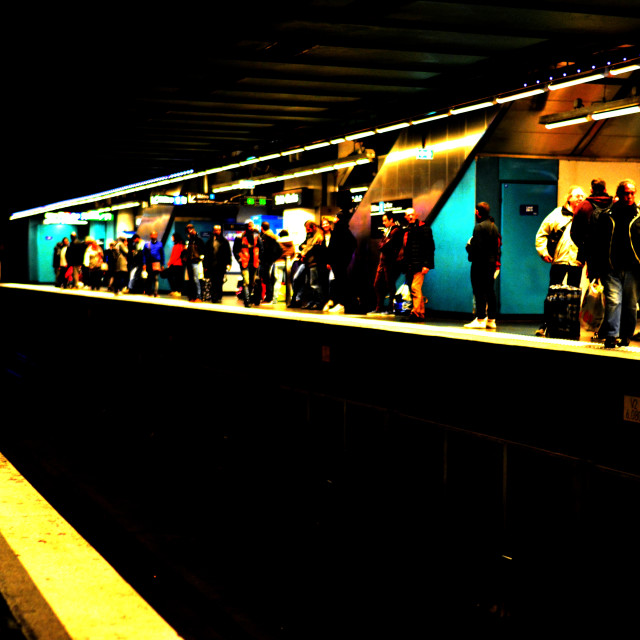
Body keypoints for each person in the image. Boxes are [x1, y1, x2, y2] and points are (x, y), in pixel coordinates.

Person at [587, 179, 640, 348]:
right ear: (619, 194)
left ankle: (625, 335)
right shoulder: (606, 215)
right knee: (614, 301)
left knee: (630, 305)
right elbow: (597, 243)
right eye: (626, 193)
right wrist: (594, 268)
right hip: (611, 266)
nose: (630, 196)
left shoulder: (638, 216)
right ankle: (611, 335)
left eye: (632, 193)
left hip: (633, 268)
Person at [534, 185, 585, 335]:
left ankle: (571, 326)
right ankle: (545, 324)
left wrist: (587, 259)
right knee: (551, 295)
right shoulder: (556, 214)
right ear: (569, 198)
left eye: (583, 196)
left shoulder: (585, 216)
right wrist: (543, 252)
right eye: (577, 196)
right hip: (559, 261)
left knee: (574, 297)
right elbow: (542, 234)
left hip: (576, 262)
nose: (581, 199)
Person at [464, 202, 501, 329]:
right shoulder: (494, 227)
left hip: (479, 264)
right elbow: (496, 247)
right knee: (490, 291)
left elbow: (477, 248)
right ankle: (491, 319)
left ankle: (480, 319)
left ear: (478, 212)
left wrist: (469, 247)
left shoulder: (479, 227)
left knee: (479, 291)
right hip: (491, 264)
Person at [400, 208, 435, 322]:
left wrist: (427, 265)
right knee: (415, 289)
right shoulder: (407, 230)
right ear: (405, 217)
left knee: (415, 288)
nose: (410, 217)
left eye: (412, 214)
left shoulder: (424, 228)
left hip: (420, 264)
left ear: (416, 215)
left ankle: (415, 312)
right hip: (411, 265)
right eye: (408, 215)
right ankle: (420, 313)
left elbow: (430, 248)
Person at [571, 179, 613, 269]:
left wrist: (584, 248)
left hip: (591, 253)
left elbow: (574, 233)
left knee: (594, 281)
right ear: (605, 189)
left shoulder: (584, 206)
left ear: (591, 190)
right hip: (611, 252)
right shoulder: (614, 205)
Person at [321, 213, 356, 314]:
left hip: (338, 261)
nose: (334, 219)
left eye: (336, 217)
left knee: (341, 282)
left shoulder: (340, 230)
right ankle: (341, 303)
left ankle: (342, 304)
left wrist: (342, 257)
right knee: (339, 282)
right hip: (338, 261)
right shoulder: (340, 229)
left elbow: (348, 244)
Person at [369, 212, 403, 315]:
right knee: (377, 284)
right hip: (383, 261)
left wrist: (383, 245)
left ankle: (389, 308)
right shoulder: (387, 231)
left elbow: (386, 245)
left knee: (390, 285)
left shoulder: (396, 230)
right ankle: (379, 307)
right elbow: (382, 244)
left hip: (390, 261)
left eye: (385, 220)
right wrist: (383, 244)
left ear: (391, 220)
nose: (383, 223)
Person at [233, 221, 262, 307]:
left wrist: (259, 259)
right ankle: (247, 301)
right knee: (246, 281)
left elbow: (261, 249)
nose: (252, 228)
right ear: (246, 227)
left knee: (251, 282)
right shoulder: (240, 238)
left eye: (252, 226)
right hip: (244, 262)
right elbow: (235, 250)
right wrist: (239, 259)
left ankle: (249, 298)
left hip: (254, 263)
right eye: (250, 226)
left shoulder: (257, 237)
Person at [204, 225, 232, 303]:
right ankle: (214, 297)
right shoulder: (210, 241)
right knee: (213, 281)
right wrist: (205, 265)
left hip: (221, 265)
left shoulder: (224, 241)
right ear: (213, 231)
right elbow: (206, 254)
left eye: (219, 230)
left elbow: (228, 253)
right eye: (216, 230)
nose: (217, 231)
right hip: (212, 265)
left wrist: (228, 263)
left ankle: (218, 295)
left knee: (219, 281)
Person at [259, 221, 283, 304]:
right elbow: (280, 250)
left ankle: (268, 297)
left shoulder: (265, 237)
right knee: (269, 279)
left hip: (265, 261)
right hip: (269, 261)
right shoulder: (273, 236)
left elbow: (263, 250)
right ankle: (269, 297)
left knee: (266, 280)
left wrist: (267, 259)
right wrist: (273, 259)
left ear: (262, 228)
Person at [273, 229, 295, 305]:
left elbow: (275, 252)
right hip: (288, 263)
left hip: (279, 263)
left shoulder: (278, 242)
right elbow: (293, 252)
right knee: (289, 281)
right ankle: (290, 298)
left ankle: (275, 299)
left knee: (278, 281)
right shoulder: (291, 242)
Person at [184, 224, 206, 303]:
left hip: (195, 261)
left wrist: (200, 258)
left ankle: (198, 296)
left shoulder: (197, 239)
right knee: (191, 280)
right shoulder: (190, 240)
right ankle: (192, 296)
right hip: (190, 261)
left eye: (190, 229)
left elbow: (203, 249)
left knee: (195, 279)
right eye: (188, 229)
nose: (189, 231)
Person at [142, 231, 165, 297]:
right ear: (150, 236)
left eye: (155, 235)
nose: (154, 236)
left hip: (157, 262)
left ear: (157, 236)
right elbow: (144, 255)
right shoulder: (147, 244)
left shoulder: (160, 244)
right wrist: (144, 263)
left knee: (155, 278)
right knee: (149, 278)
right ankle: (149, 292)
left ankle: (155, 292)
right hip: (149, 263)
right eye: (153, 235)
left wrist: (162, 264)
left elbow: (162, 254)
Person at [166, 232, 186, 297]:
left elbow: (175, 256)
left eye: (172, 237)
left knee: (174, 277)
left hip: (177, 264)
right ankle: (176, 290)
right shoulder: (181, 245)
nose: (172, 238)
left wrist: (169, 263)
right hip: (178, 264)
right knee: (177, 278)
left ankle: (177, 290)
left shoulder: (177, 246)